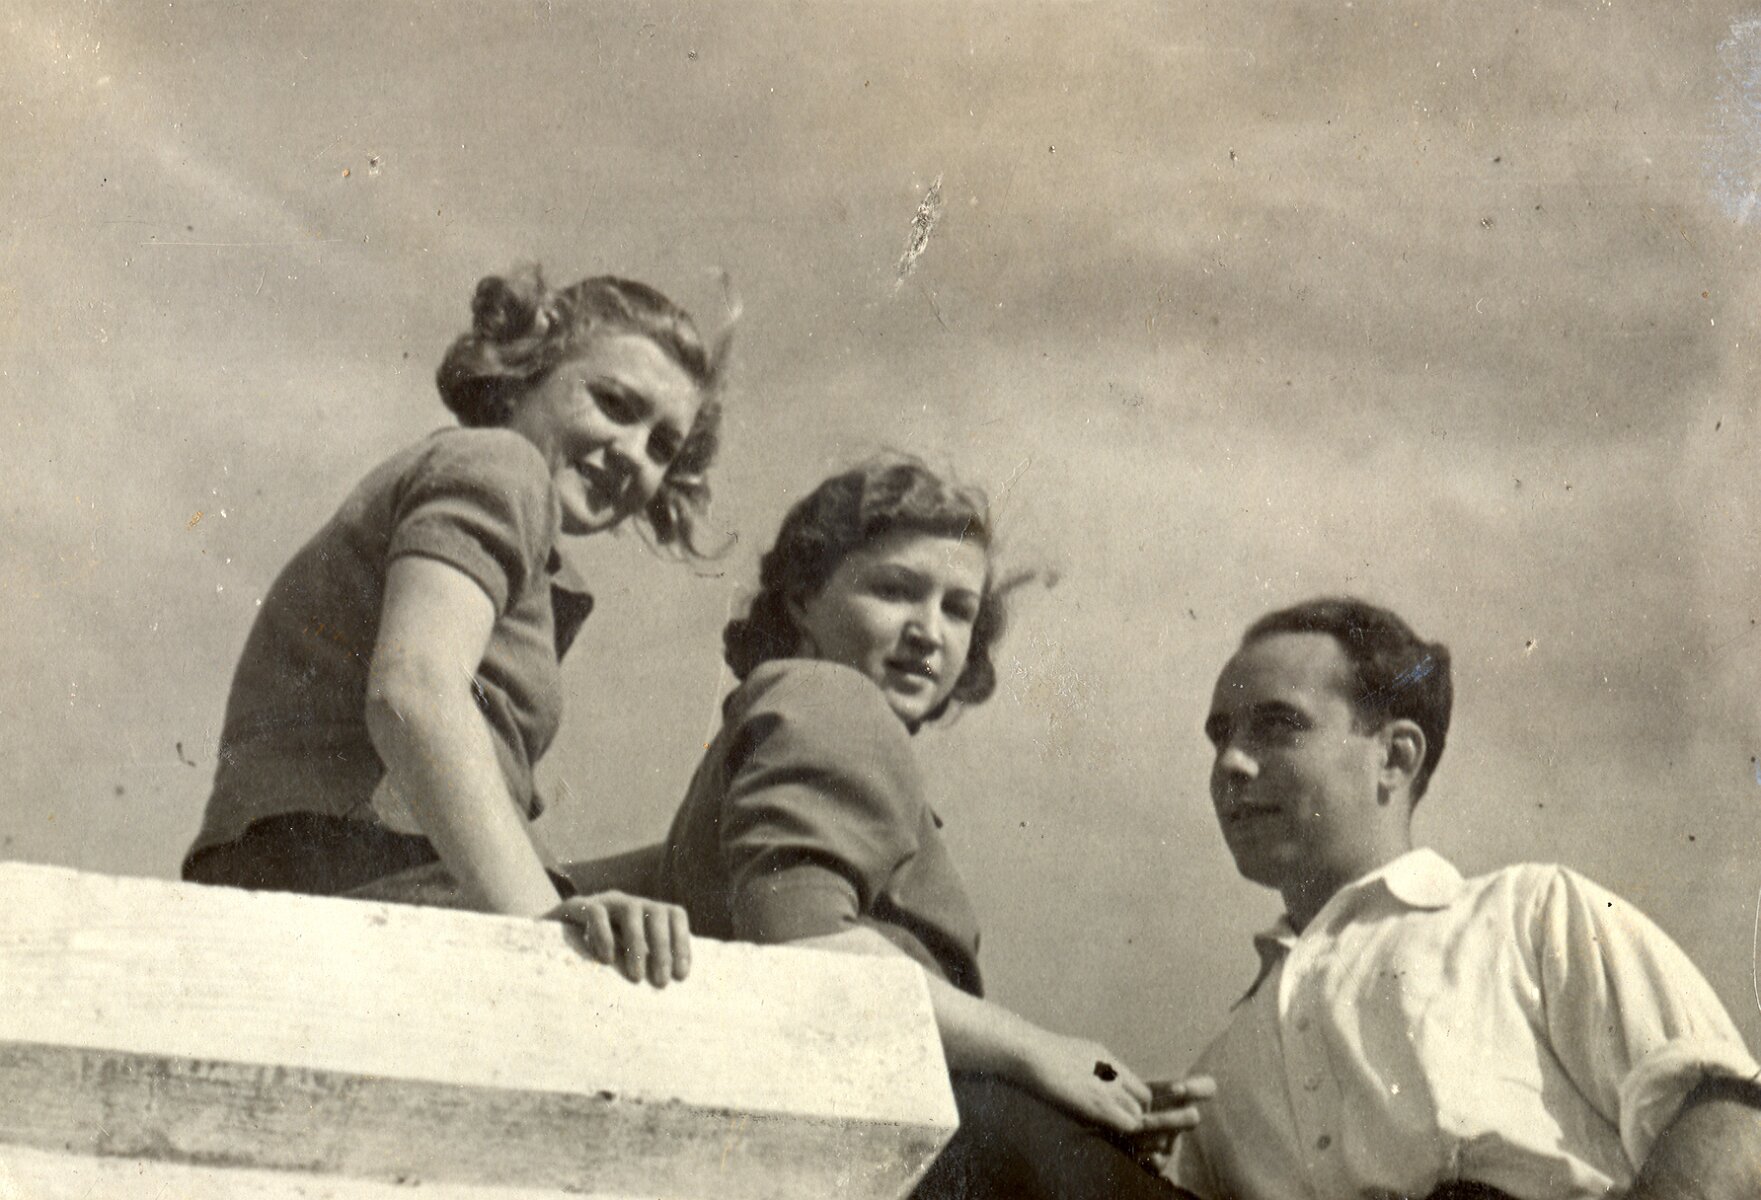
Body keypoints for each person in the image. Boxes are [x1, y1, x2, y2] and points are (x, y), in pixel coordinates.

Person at [648, 458, 1212, 1199]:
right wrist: (1042, 1055)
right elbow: (804, 947)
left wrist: (1100, 1098)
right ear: (802, 599)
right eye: (893, 590)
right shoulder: (829, 696)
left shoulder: (782, 727)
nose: (928, 632)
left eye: (958, 609)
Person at [181, 265, 727, 986]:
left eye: (662, 447)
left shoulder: (504, 512)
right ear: (526, 372)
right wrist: (543, 923)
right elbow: (414, 692)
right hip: (341, 877)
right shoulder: (501, 464)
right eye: (614, 403)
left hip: (307, 878)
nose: (633, 452)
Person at [1167, 596, 1761, 1199]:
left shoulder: (1532, 913)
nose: (1231, 763)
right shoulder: (1215, 1077)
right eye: (1221, 737)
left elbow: (1731, 1122)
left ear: (1395, 757)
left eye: (1278, 726)